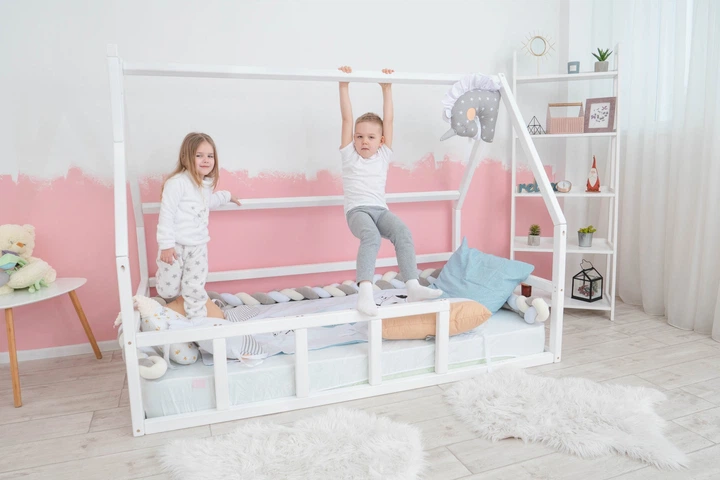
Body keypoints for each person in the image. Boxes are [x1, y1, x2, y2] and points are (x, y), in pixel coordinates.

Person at [338, 66, 443, 316]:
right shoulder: (349, 155)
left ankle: (413, 286)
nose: (364, 141)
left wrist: (387, 89)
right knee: (372, 237)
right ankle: (365, 294)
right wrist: (343, 85)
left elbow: (390, 121)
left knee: (403, 232)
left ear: (381, 140)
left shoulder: (384, 155)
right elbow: (346, 120)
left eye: (371, 137)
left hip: (380, 211)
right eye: (359, 136)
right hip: (357, 212)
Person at [156, 132, 241, 319]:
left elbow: (208, 202)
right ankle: (171, 303)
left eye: (210, 156)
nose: (206, 160)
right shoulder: (177, 183)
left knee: (194, 287)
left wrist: (227, 196)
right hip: (175, 245)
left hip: (198, 246)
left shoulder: (204, 184)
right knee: (168, 290)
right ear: (186, 157)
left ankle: (197, 320)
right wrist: (166, 245)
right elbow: (166, 214)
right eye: (199, 155)